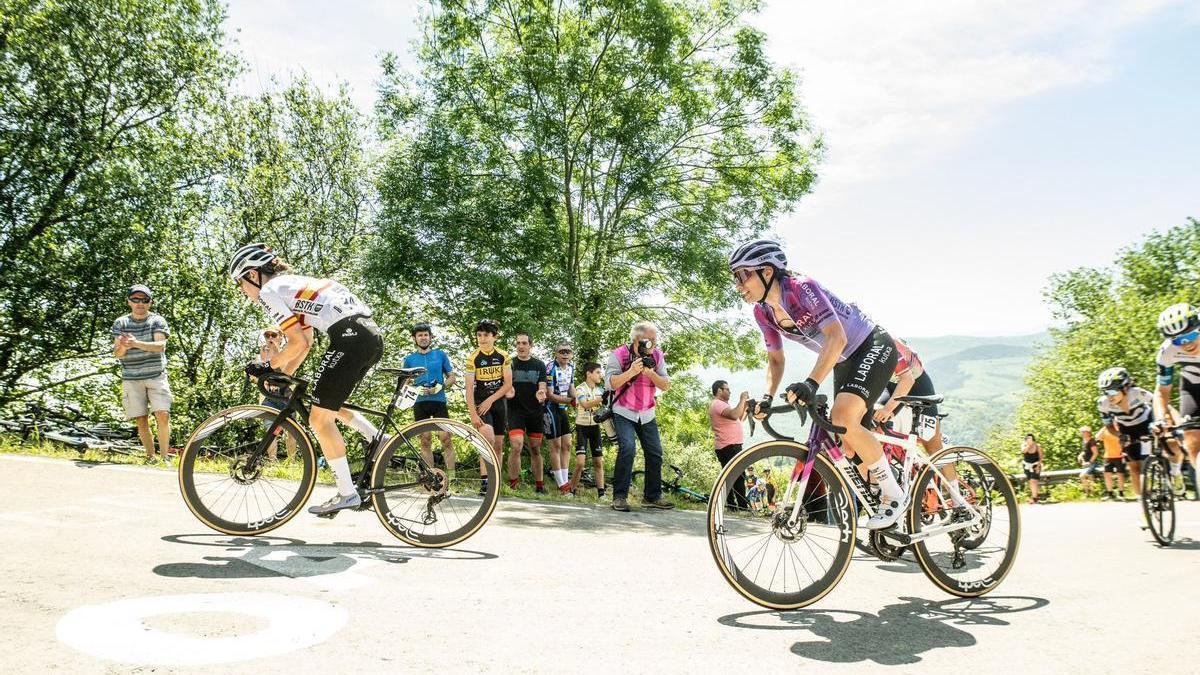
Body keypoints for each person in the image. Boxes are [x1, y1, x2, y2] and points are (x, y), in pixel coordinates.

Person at [729, 239, 903, 529]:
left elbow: (837, 338)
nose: (738, 284)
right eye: (735, 277)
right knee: (845, 442)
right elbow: (775, 360)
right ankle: (877, 491)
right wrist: (767, 397)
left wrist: (811, 382)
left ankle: (893, 494)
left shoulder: (801, 287)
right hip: (843, 360)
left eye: (743, 275)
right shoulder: (763, 313)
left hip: (870, 344)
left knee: (843, 417)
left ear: (767, 272)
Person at [229, 243, 385, 515]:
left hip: (349, 336)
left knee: (318, 418)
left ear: (253, 275)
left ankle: (347, 493)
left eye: (241, 284)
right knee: (324, 403)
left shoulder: (269, 291)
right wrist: (282, 374)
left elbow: (298, 342)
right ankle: (378, 439)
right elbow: (305, 343)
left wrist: (266, 365)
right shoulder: (291, 285)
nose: (243, 292)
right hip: (366, 335)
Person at [604, 321, 674, 512]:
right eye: (649, 340)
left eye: (654, 340)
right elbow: (610, 384)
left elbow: (666, 385)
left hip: (647, 412)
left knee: (655, 452)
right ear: (637, 339)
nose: (653, 344)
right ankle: (619, 497)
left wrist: (650, 373)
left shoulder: (657, 356)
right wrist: (631, 372)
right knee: (628, 448)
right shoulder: (619, 354)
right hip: (624, 410)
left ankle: (652, 496)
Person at [112, 284, 172, 464]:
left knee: (162, 414)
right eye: (136, 299)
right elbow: (118, 353)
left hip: (156, 375)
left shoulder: (157, 321)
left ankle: (164, 457)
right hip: (131, 377)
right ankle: (151, 457)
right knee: (141, 419)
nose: (140, 303)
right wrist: (123, 345)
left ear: (150, 302)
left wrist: (135, 343)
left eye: (144, 300)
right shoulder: (120, 323)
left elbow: (160, 347)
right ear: (129, 301)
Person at [402, 322, 457, 476]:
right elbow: (404, 385)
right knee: (425, 440)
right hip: (420, 403)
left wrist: (440, 387)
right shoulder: (410, 359)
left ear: (430, 337)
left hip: (439, 401)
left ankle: (452, 478)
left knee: (446, 438)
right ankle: (430, 477)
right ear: (414, 338)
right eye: (420, 335)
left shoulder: (440, 355)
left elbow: (452, 377)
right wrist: (415, 389)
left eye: (426, 335)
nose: (423, 338)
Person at [465, 319, 513, 495]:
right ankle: (485, 482)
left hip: (497, 402)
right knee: (487, 439)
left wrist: (491, 400)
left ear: (495, 337)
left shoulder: (503, 356)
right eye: (479, 335)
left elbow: (508, 384)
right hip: (480, 403)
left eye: (486, 335)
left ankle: (495, 481)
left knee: (498, 445)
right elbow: (468, 389)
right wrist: (473, 413)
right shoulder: (473, 358)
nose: (482, 339)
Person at [1151, 303, 1195, 482]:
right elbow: (1162, 391)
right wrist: (1160, 419)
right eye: (1178, 340)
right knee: (1193, 442)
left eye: (1191, 335)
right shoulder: (1166, 352)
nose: (1186, 343)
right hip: (1193, 386)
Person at [1097, 366, 1153, 497]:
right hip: (1126, 428)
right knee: (1134, 467)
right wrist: (1120, 435)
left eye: (1112, 392)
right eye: (1105, 392)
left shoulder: (1138, 393)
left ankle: (1174, 471)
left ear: (1125, 388)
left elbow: (1159, 402)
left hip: (1146, 422)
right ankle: (1143, 500)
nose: (1109, 396)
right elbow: (1109, 426)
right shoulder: (1103, 404)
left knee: (1148, 459)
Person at [506, 332, 549, 492]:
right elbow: (505, 384)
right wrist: (507, 391)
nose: (521, 346)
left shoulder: (539, 365)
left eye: (524, 343)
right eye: (518, 343)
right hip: (515, 411)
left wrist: (542, 393)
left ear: (531, 345)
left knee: (535, 449)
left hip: (535, 411)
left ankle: (539, 486)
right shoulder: (510, 364)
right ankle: (513, 485)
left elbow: (543, 385)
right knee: (516, 446)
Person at [256, 326, 297, 461]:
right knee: (271, 430)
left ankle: (291, 462)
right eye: (267, 335)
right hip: (268, 396)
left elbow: (286, 372)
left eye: (273, 335)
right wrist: (263, 359)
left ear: (281, 336)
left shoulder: (288, 351)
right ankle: (272, 461)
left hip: (285, 395)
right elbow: (258, 377)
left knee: (292, 431)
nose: (270, 338)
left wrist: (276, 351)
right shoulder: (262, 353)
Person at [709, 380, 750, 508]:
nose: (730, 391)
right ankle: (742, 506)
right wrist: (742, 399)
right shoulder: (717, 404)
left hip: (730, 446)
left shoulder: (722, 405)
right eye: (727, 389)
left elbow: (740, 417)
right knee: (738, 476)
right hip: (729, 446)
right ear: (719, 390)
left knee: (732, 476)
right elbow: (734, 415)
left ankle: (732, 505)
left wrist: (746, 405)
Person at [545, 342, 577, 495]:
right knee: (555, 445)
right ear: (556, 353)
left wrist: (578, 399)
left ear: (571, 354)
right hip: (550, 408)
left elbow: (571, 387)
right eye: (562, 351)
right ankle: (561, 484)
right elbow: (549, 394)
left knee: (567, 445)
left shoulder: (571, 367)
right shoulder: (551, 368)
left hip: (563, 408)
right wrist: (570, 401)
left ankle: (565, 481)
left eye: (568, 351)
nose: (565, 354)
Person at [571, 362, 606, 498]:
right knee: (580, 463)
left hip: (595, 429)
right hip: (582, 428)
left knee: (598, 462)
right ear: (589, 374)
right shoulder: (580, 389)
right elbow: (585, 404)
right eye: (597, 372)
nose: (600, 375)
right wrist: (600, 399)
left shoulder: (600, 390)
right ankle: (571, 491)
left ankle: (601, 494)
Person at [1098, 424, 1127, 500]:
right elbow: (1097, 437)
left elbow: (1126, 441)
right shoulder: (1105, 430)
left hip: (1119, 456)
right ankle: (1110, 494)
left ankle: (1121, 493)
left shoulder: (1119, 430)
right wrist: (1105, 427)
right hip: (1108, 456)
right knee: (1107, 475)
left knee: (1120, 475)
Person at [1022, 433, 1044, 504]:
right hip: (1027, 465)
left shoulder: (1038, 446)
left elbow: (1041, 457)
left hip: (1036, 464)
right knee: (1031, 481)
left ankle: (1034, 498)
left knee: (1034, 480)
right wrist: (1028, 445)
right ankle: (1035, 496)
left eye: (1030, 438)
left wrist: (1038, 466)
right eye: (1027, 439)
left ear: (1033, 439)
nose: (1029, 440)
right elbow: (1023, 451)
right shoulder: (1024, 445)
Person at [1077, 426, 1099, 492]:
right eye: (1081, 432)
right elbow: (1085, 451)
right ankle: (1091, 493)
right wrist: (1080, 455)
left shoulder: (1092, 442)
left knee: (1082, 476)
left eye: (1083, 432)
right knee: (1090, 476)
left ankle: (1088, 493)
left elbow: (1095, 453)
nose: (1081, 433)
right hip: (1086, 463)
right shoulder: (1084, 441)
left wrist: (1090, 462)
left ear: (1088, 433)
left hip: (1092, 463)